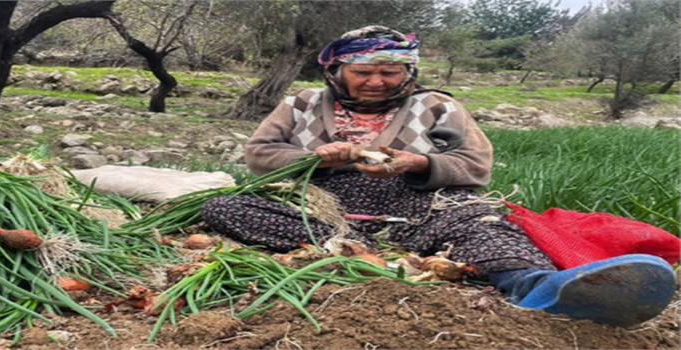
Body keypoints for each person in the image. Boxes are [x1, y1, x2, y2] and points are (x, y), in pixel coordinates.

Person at [201, 26, 675, 327]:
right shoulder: (302, 104)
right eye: (363, 71)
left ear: (408, 72)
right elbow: (259, 154)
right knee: (222, 205)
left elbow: (476, 165)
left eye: (391, 71)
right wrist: (317, 158)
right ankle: (360, 251)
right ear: (338, 71)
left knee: (480, 222)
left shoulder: (437, 106)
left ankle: (534, 287)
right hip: (324, 205)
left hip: (421, 203)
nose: (377, 81)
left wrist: (420, 165)